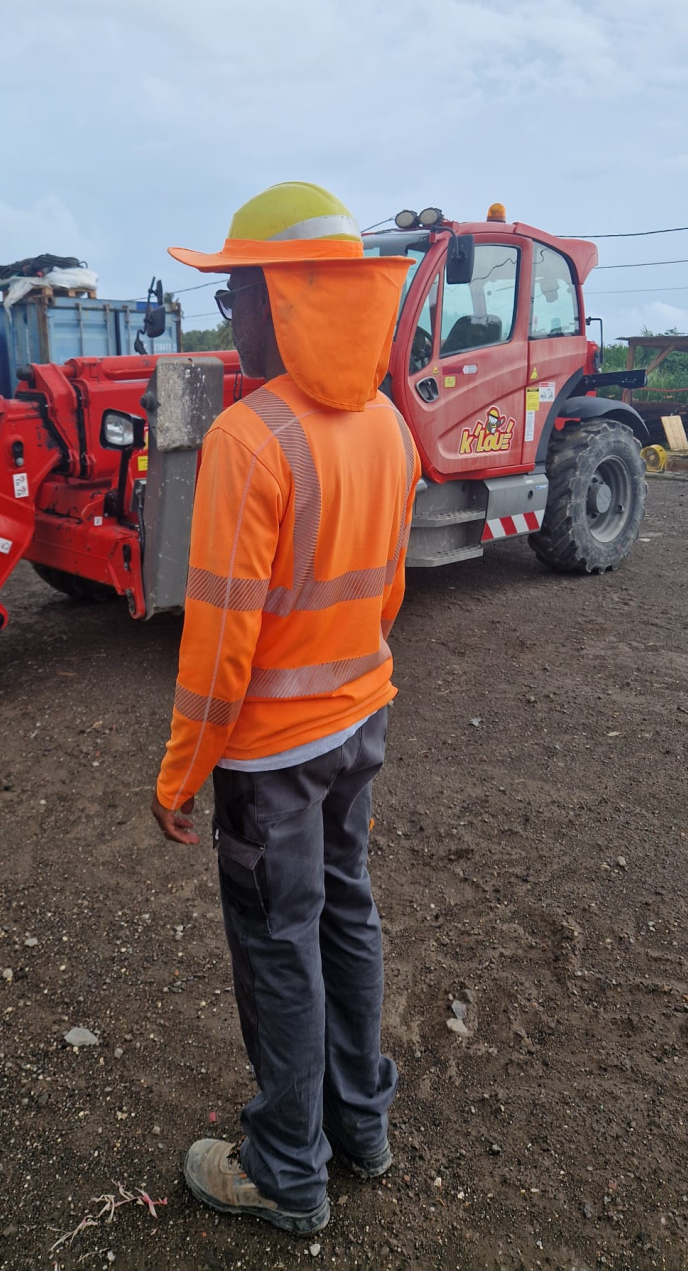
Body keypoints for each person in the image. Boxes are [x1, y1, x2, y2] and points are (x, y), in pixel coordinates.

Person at [151, 182, 419, 1236]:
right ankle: (362, 1127)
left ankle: (285, 1171)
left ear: (288, 297)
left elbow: (219, 648)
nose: (227, 314)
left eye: (237, 291)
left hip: (271, 757)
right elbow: (385, 597)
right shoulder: (388, 427)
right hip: (360, 720)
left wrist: (178, 778)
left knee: (279, 943)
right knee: (346, 915)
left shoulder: (250, 438)